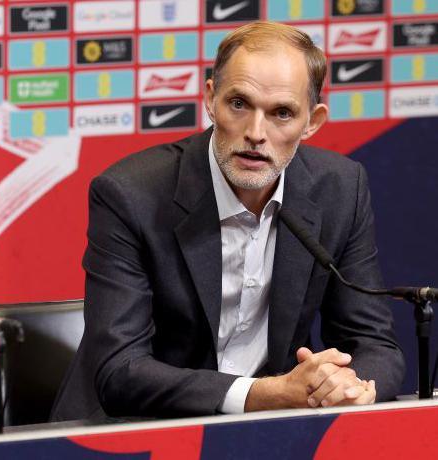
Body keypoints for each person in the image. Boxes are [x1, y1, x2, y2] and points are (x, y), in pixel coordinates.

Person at [51, 22, 404, 423]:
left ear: (313, 122)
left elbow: (374, 343)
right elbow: (121, 370)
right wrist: (261, 394)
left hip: (270, 433)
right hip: (136, 430)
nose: (255, 133)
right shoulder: (130, 195)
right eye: (239, 104)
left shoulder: (340, 189)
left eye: (281, 113)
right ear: (210, 98)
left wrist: (352, 387)